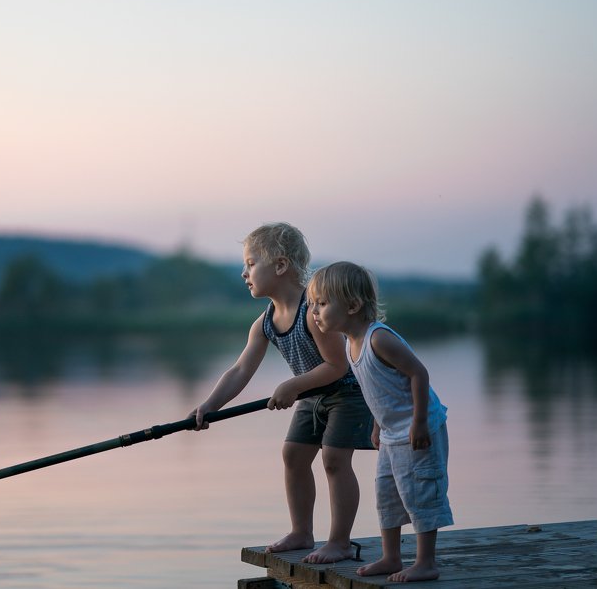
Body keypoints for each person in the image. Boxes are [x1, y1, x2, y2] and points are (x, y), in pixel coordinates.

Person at [190, 223, 374, 564]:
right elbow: (241, 370)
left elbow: (337, 366)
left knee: (334, 461)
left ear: (279, 265)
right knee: (293, 456)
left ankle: (340, 542)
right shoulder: (265, 322)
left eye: (250, 263)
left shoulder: (313, 309)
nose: (244, 273)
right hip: (311, 397)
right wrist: (210, 406)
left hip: (347, 394)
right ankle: (302, 531)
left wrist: (292, 385)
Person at [307, 261, 452, 582]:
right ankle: (391, 557)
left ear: (353, 306)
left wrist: (418, 423)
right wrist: (376, 424)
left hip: (419, 428)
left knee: (420, 493)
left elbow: (418, 373)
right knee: (387, 492)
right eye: (313, 304)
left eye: (322, 303)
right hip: (390, 432)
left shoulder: (378, 339)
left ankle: (426, 562)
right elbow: (378, 390)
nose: (314, 311)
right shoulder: (350, 343)